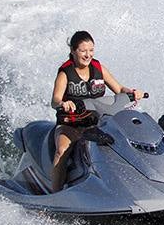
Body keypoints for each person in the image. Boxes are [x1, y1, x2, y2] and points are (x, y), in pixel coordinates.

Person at [49, 30, 143, 193]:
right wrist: (64, 103)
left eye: (91, 50)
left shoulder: (98, 68)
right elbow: (55, 100)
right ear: (73, 51)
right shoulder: (65, 72)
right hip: (71, 125)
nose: (88, 55)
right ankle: (55, 194)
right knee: (62, 150)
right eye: (83, 51)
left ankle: (135, 185)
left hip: (97, 124)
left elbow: (119, 89)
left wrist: (132, 92)